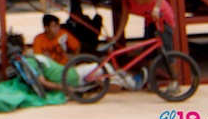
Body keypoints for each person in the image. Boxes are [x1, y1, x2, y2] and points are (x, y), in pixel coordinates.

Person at [8, 34, 147, 93]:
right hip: (71, 76)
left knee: (101, 73)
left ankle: (123, 82)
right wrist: (64, 88)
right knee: (104, 66)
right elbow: (42, 82)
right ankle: (132, 83)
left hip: (70, 72)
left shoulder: (31, 60)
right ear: (24, 48)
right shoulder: (31, 61)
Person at [104, 0, 177, 55]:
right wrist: (116, 37)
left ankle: (169, 61)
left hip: (162, 17)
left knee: (167, 49)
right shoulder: (125, 0)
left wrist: (156, 8)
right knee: (149, 50)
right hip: (150, 19)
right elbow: (124, 17)